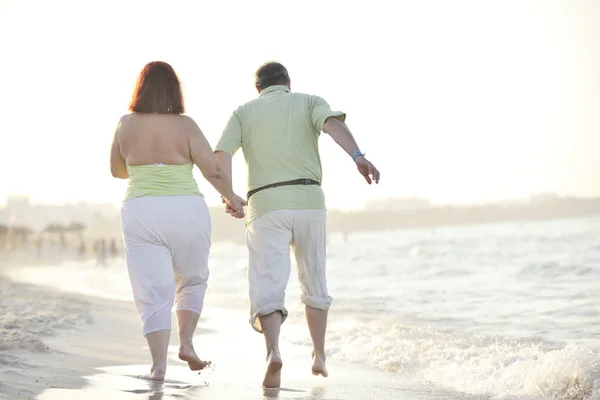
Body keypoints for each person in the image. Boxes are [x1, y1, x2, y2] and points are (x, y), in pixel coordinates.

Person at [214, 61, 380, 388]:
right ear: (288, 83)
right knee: (314, 278)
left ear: (258, 88)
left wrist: (230, 195)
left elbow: (222, 155)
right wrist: (358, 155)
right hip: (309, 201)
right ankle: (318, 355)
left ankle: (273, 352)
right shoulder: (309, 102)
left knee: (268, 283)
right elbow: (333, 126)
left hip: (265, 204)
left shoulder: (243, 112)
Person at [110, 61, 246, 381]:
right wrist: (232, 198)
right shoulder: (186, 126)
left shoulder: (125, 124)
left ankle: (158, 367)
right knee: (192, 278)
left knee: (152, 290)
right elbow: (211, 170)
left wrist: (147, 167)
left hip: (141, 209)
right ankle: (186, 344)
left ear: (139, 89)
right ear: (175, 89)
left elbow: (117, 171)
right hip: (186, 209)